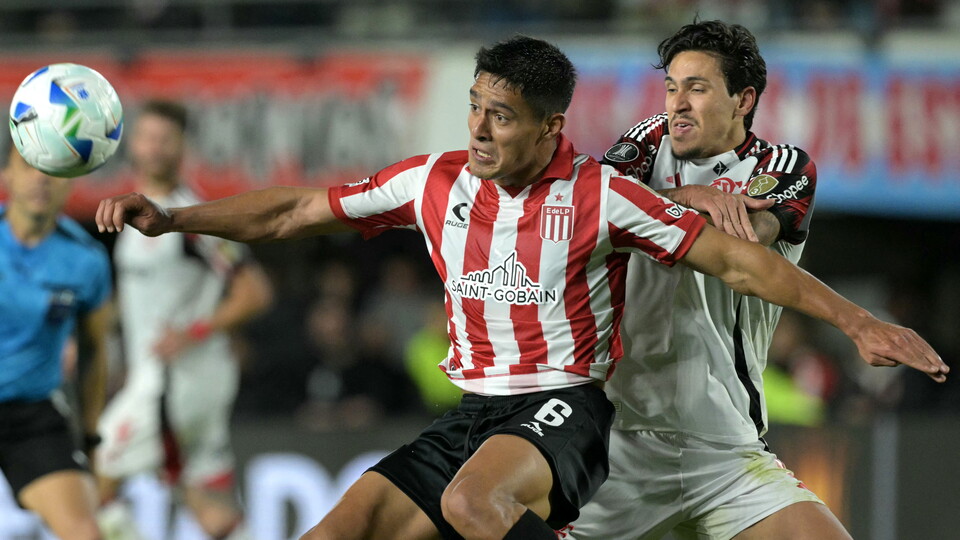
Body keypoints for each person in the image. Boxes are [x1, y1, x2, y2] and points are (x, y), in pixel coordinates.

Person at [94, 36, 947, 540]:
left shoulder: (613, 193)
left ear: (549, 127)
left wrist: (856, 321)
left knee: (477, 500)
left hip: (594, 414)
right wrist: (177, 219)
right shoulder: (435, 181)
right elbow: (290, 212)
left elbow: (743, 256)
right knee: (345, 529)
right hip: (518, 420)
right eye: (473, 107)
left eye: (500, 116)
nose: (478, 127)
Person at [567, 20, 926, 540]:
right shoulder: (648, 141)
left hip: (724, 445)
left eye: (697, 87)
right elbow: (594, 209)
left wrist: (858, 322)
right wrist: (689, 200)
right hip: (622, 441)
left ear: (743, 99)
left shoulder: (783, 167)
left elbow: (744, 246)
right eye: (671, 87)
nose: (677, 103)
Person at [93, 100, 273, 540]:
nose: (154, 148)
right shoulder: (135, 213)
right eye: (147, 137)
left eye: (165, 140)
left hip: (178, 382)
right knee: (207, 506)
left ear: (182, 147)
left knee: (91, 476)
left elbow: (255, 291)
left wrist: (196, 332)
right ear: (131, 144)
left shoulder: (187, 217)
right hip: (171, 380)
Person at [0, 145, 113, 539]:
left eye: (53, 169)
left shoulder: (86, 261)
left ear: (72, 184)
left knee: (86, 534)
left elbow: (95, 352)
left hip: (32, 416)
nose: (41, 178)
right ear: (6, 175)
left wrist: (92, 436)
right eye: (29, 166)